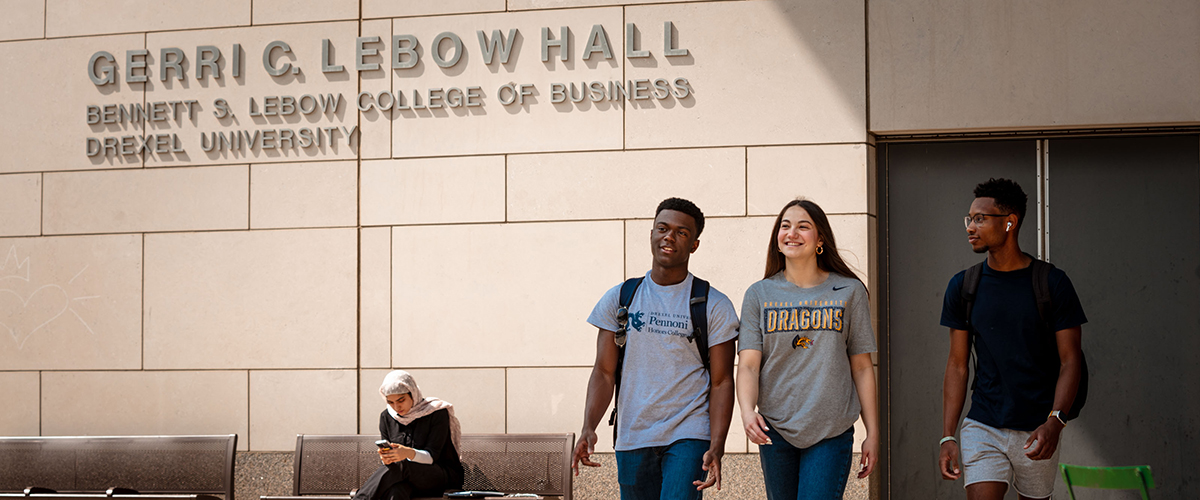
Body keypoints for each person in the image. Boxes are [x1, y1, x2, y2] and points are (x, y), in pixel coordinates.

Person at [571, 197, 740, 500]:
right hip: (634, 434)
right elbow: (604, 371)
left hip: (689, 433)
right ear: (651, 233)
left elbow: (722, 380)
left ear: (694, 245)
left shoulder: (714, 304)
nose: (669, 237)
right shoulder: (621, 297)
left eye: (681, 232)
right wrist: (588, 426)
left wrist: (717, 444)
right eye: (662, 228)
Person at [938, 178, 1086, 500]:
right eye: (969, 218)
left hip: (1037, 428)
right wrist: (948, 435)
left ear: (1009, 222)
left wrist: (1055, 422)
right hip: (983, 423)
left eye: (980, 218)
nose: (970, 227)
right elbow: (958, 365)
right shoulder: (964, 286)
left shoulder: (1052, 284)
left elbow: (1070, 360)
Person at [735, 198, 879, 500]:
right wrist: (747, 412)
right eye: (785, 226)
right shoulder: (758, 294)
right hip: (774, 429)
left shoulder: (849, 291)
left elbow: (862, 366)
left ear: (820, 239)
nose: (792, 233)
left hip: (831, 430)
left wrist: (873, 431)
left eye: (803, 226)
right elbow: (748, 364)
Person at [353, 370, 465, 500]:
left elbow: (432, 456)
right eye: (390, 402)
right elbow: (391, 461)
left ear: (413, 393)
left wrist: (408, 453)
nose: (396, 406)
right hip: (404, 478)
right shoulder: (386, 417)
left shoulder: (436, 413)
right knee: (397, 491)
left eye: (401, 400)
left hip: (440, 476)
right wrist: (387, 458)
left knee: (402, 465)